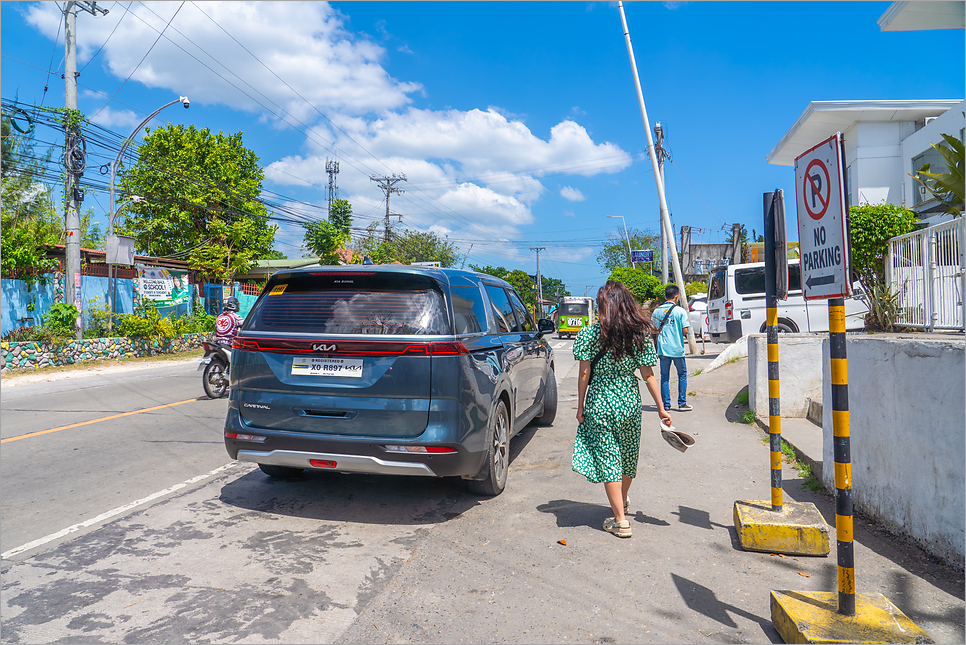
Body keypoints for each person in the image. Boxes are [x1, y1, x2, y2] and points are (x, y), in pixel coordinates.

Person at [573, 281, 673, 538]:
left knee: (609, 459)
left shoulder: (590, 334)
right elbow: (649, 375)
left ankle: (620, 520)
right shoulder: (638, 335)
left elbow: (585, 373)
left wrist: (581, 405)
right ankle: (623, 499)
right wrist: (662, 409)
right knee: (627, 456)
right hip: (629, 402)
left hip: (600, 403)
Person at [653, 284, 692, 412]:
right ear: (676, 297)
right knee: (682, 374)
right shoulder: (680, 311)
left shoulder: (657, 311)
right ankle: (681, 403)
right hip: (677, 349)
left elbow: (652, 330)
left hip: (663, 349)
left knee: (664, 377)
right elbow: (685, 330)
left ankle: (666, 405)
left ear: (665, 296)